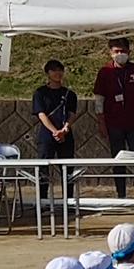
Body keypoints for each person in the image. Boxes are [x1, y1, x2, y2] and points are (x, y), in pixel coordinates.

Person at [92, 37, 134, 202]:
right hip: (114, 124)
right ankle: (121, 194)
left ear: (129, 52)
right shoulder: (104, 72)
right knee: (118, 159)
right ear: (110, 53)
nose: (120, 54)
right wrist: (101, 122)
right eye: (116, 51)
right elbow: (99, 100)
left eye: (123, 51)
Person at [28, 59, 79, 204]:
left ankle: (68, 200)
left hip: (66, 135)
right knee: (44, 168)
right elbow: (40, 114)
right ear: (47, 73)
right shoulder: (40, 93)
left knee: (67, 169)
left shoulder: (70, 94)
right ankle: (43, 201)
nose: (57, 73)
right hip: (46, 135)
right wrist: (54, 131)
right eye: (53, 70)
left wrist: (65, 129)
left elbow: (72, 114)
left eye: (59, 70)